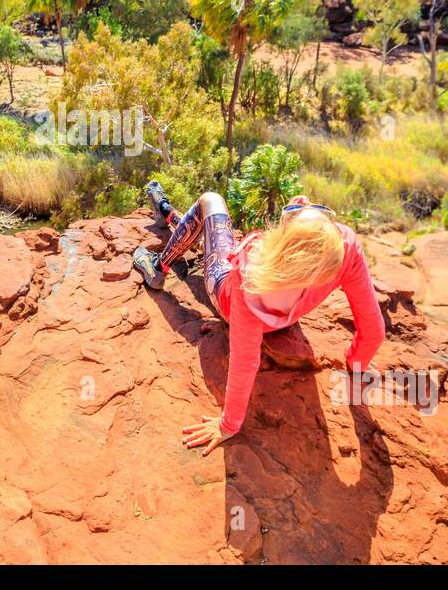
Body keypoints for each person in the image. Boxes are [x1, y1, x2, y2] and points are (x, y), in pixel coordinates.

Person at [133, 180, 385, 456]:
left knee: (210, 201)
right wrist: (357, 364)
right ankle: (168, 213)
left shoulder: (251, 276)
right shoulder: (344, 249)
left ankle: (158, 266)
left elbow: (244, 363)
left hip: (226, 297)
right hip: (284, 319)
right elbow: (373, 329)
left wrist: (228, 425)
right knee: (208, 236)